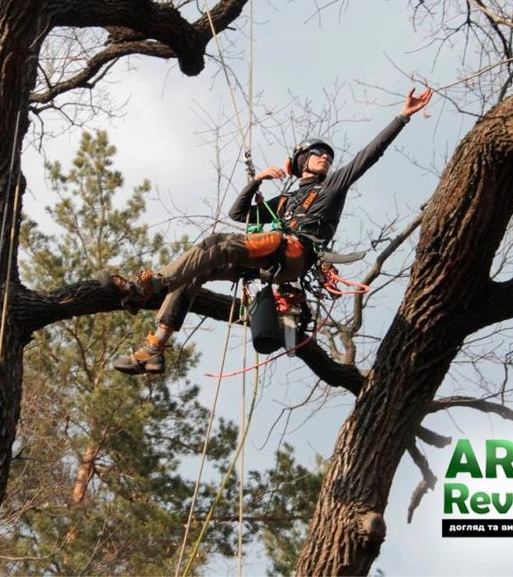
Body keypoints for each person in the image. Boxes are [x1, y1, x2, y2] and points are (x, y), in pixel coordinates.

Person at [108, 87, 433, 375]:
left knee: (221, 243)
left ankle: (152, 285)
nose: (325, 158)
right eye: (318, 153)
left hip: (292, 253)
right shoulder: (285, 201)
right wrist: (257, 180)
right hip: (266, 258)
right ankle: (154, 348)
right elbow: (238, 213)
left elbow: (368, 156)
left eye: (329, 156)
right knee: (199, 269)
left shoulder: (331, 187)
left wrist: (401, 117)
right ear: (303, 159)